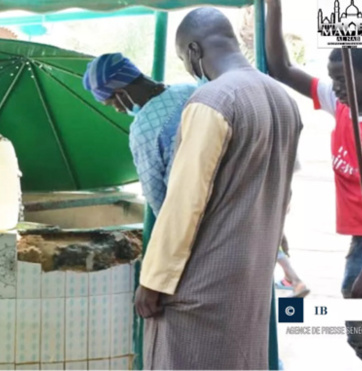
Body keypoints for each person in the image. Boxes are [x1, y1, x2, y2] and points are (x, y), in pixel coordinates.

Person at [134, 7, 302, 369]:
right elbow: (282, 196)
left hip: (202, 286)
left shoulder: (213, 101)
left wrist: (153, 280)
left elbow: (184, 201)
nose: (190, 70)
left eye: (185, 59)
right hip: (252, 279)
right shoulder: (284, 100)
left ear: (194, 51)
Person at [265, 0, 362, 367]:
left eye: (343, 81)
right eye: (333, 80)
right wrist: (274, 7)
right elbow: (281, 68)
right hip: (361, 236)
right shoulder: (342, 102)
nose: (335, 88)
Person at [81, 53, 196, 215]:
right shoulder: (191, 89)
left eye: (111, 103)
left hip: (193, 212)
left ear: (120, 93)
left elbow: (155, 193)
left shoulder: (144, 127)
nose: (117, 109)